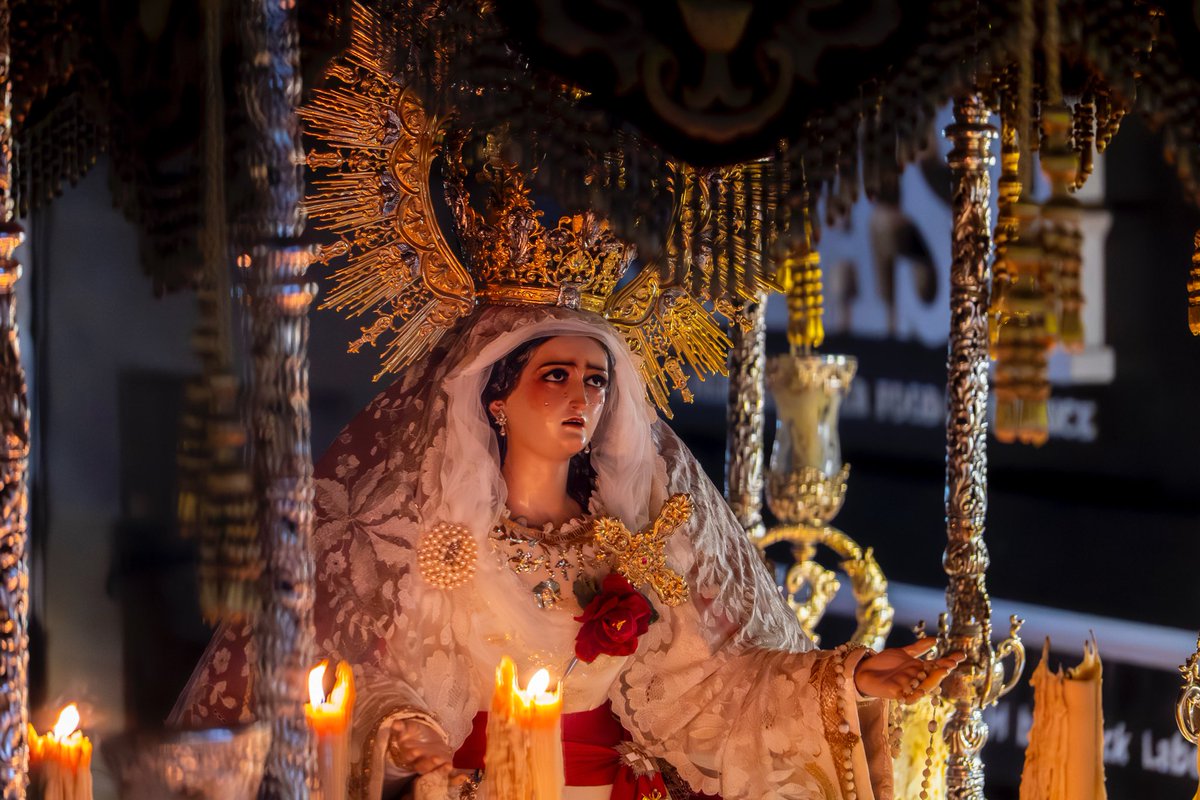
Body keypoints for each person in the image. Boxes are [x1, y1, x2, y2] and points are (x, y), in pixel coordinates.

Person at [171, 296, 963, 800]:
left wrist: (850, 671)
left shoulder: (634, 540)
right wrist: (400, 730)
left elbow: (710, 690)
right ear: (497, 397)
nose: (582, 397)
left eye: (594, 379)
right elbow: (368, 677)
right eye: (556, 375)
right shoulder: (437, 543)